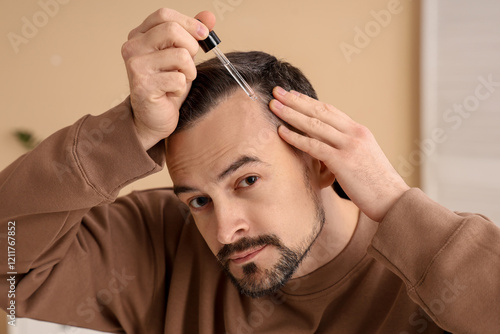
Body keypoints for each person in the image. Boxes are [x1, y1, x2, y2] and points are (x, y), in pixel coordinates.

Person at [1, 7, 499, 334]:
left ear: (322, 161)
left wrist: (394, 203)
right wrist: (125, 132)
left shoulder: (429, 273)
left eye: (247, 180)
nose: (223, 229)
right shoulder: (158, 241)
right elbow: (7, 257)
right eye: (198, 199)